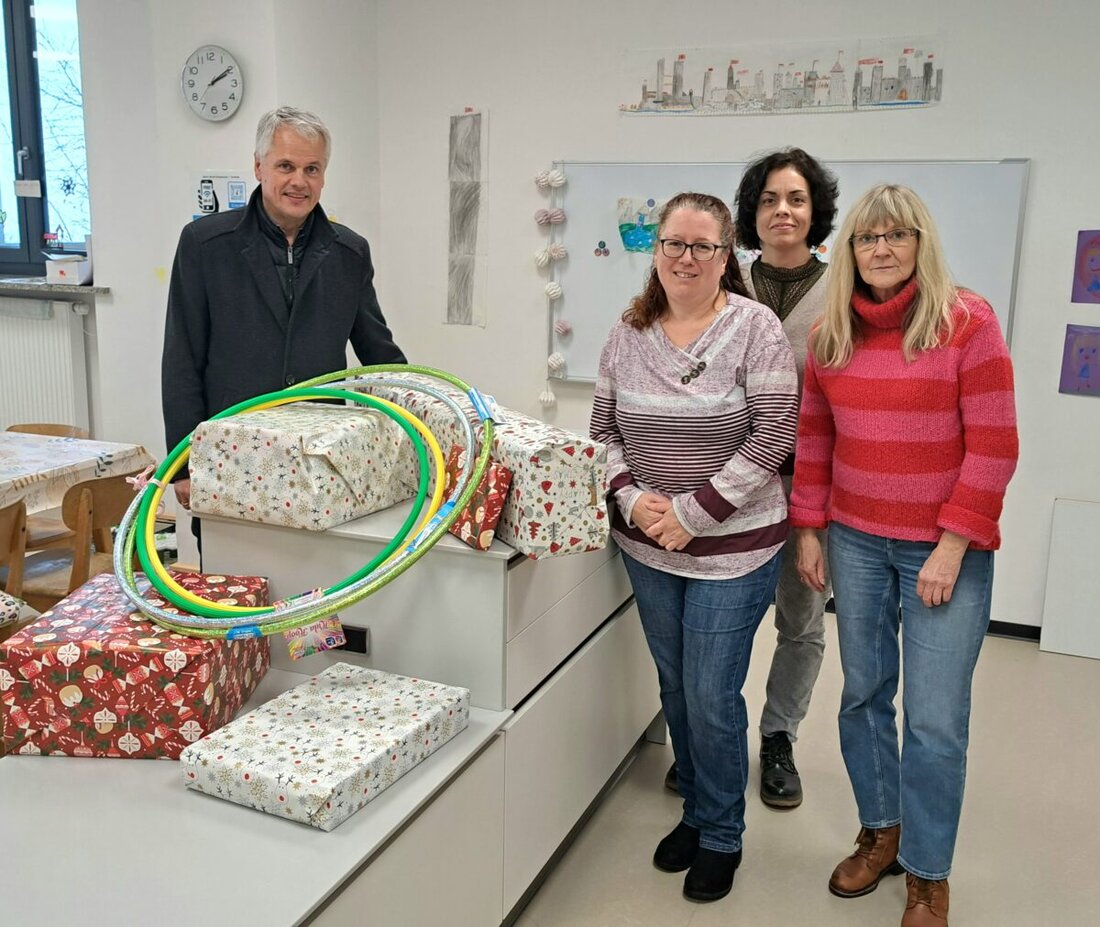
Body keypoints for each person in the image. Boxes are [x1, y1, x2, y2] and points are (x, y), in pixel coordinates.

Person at [789, 184, 1018, 927]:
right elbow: (816, 435)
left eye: (896, 235)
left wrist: (953, 545)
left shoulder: (966, 323)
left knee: (935, 720)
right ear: (849, 250)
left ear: (921, 243)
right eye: (866, 237)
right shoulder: (833, 332)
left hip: (943, 547)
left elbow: (993, 444)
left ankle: (928, 871)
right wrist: (811, 528)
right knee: (862, 695)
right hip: (854, 538)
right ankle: (882, 829)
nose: (880, 248)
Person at [590, 192, 798, 903]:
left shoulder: (755, 329)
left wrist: (694, 512)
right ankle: (699, 809)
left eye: (702, 246)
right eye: (673, 244)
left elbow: (773, 434)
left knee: (712, 693)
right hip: (649, 547)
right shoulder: (627, 332)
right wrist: (628, 497)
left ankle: (722, 833)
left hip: (732, 549)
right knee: (676, 685)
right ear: (656, 251)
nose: (685, 257)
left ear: (726, 254)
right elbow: (601, 431)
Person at [663, 148, 839, 807]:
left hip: (806, 485)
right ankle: (703, 742)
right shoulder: (719, 282)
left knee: (800, 618)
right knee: (703, 623)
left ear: (815, 210)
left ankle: (778, 739)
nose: (783, 210)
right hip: (718, 491)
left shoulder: (840, 290)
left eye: (795, 198)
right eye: (768, 199)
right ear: (750, 214)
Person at [162, 106, 406, 548]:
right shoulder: (205, 245)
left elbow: (379, 354)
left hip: (319, 467)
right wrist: (183, 465)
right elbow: (182, 359)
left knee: (316, 600)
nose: (299, 181)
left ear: (324, 176)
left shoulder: (350, 253)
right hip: (231, 459)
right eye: (286, 166)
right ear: (258, 166)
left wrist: (434, 408)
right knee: (234, 593)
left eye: (312, 169)